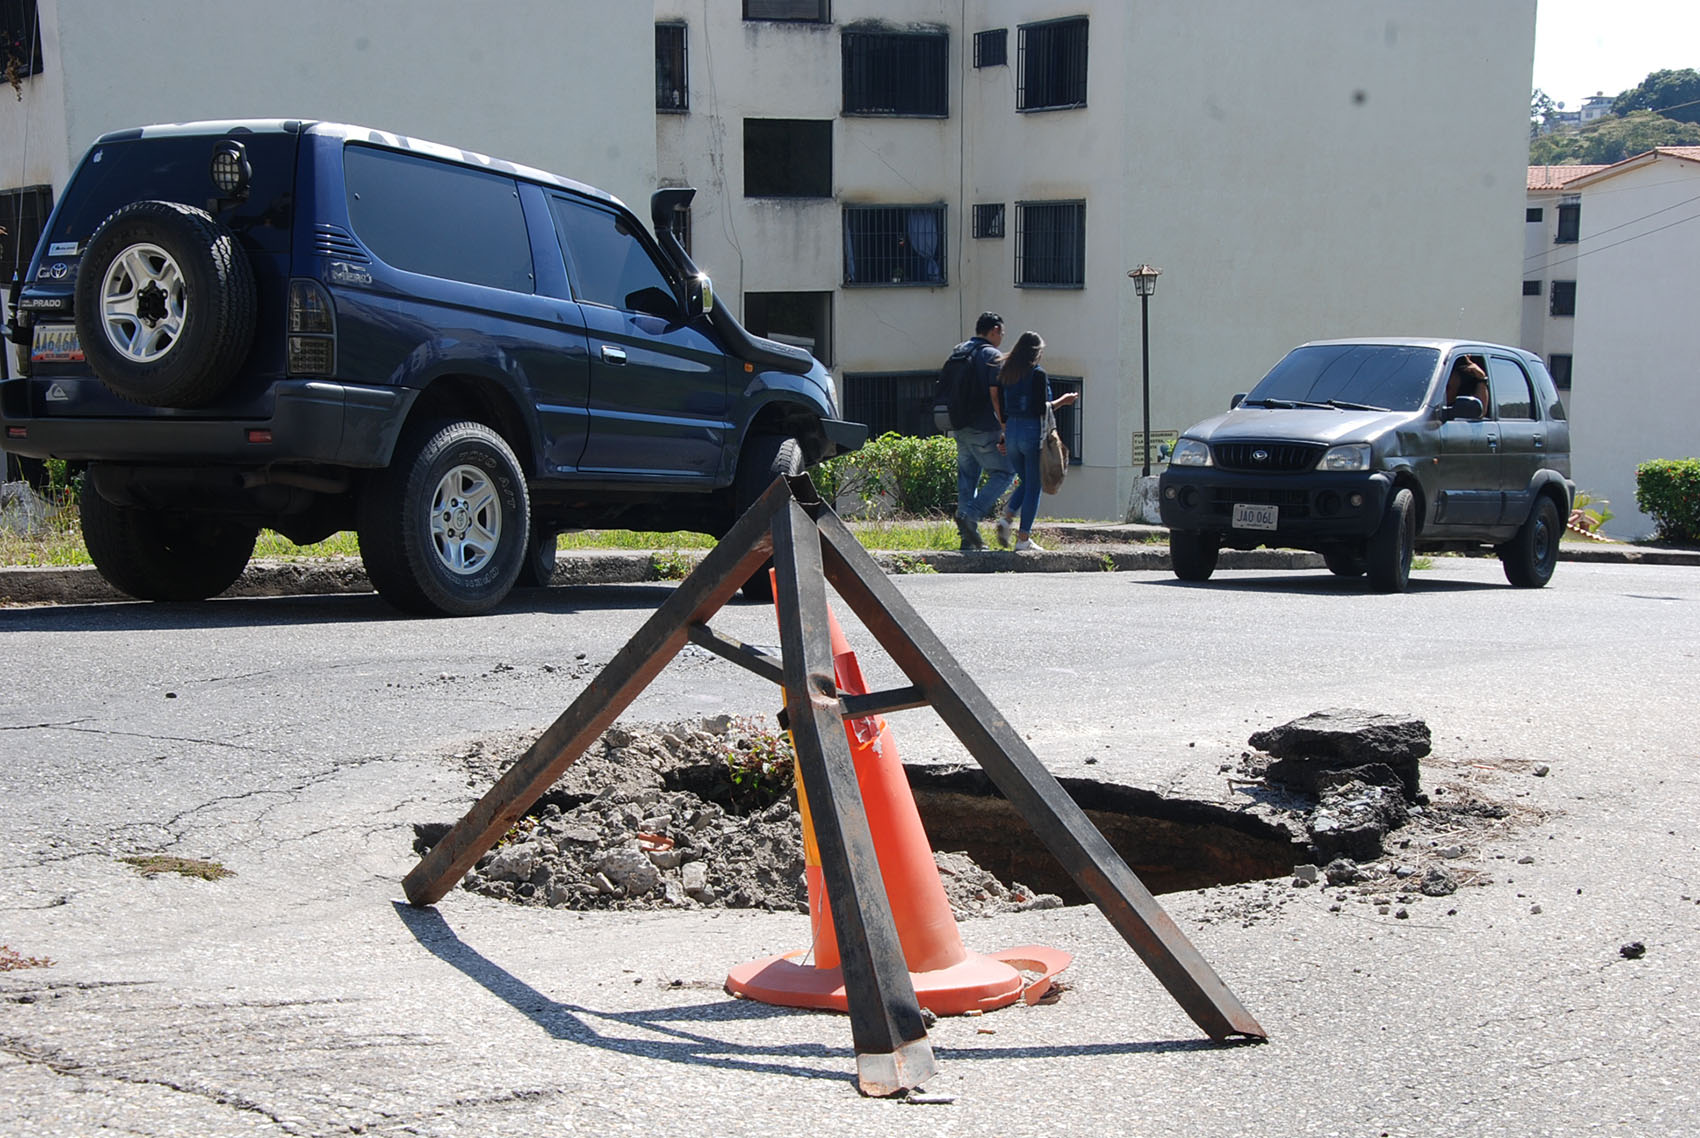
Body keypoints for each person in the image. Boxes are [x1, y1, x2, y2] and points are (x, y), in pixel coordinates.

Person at [992, 331, 1078, 551]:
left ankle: (1007, 518)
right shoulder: (1038, 374)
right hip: (1032, 433)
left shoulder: (1006, 374)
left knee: (1026, 479)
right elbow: (1041, 408)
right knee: (1034, 485)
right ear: (1036, 353)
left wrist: (1004, 434)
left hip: (1012, 432)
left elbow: (1002, 409)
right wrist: (1064, 401)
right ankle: (1023, 538)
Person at [948, 312, 1015, 550]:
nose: (1002, 337)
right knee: (1006, 472)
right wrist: (1005, 427)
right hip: (983, 426)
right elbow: (996, 393)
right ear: (995, 329)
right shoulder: (991, 355)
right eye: (1002, 333)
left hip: (958, 425)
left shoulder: (959, 350)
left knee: (967, 480)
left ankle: (968, 540)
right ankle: (971, 515)